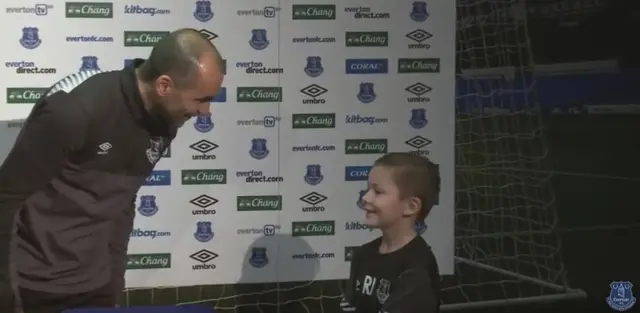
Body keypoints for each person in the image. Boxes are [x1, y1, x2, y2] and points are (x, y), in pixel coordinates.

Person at [0, 28, 224, 313]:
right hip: (32, 288)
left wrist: (113, 284)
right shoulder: (72, 109)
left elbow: (122, 202)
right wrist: (6, 294)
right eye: (201, 99)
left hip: (96, 289)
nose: (205, 112)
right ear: (164, 86)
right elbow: (6, 198)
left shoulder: (166, 118)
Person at [344, 152, 441, 313]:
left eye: (378, 192)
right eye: (367, 189)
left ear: (411, 206)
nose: (366, 198)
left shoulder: (416, 270)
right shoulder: (363, 254)